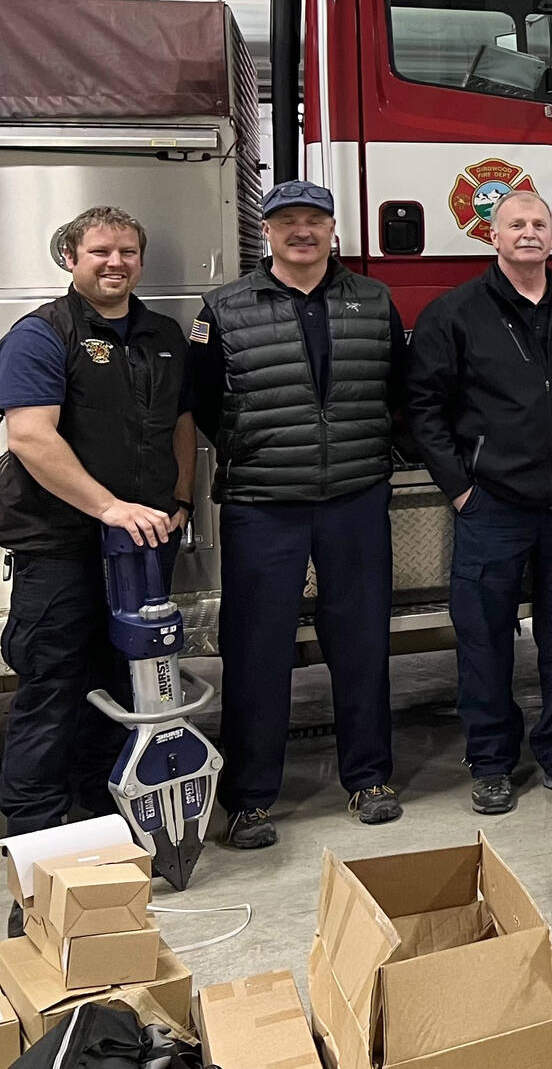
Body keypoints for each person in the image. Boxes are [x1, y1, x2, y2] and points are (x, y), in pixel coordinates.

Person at [188, 181, 406, 849]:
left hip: (355, 497)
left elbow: (399, 384)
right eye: (288, 221)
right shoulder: (223, 309)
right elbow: (202, 404)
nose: (302, 231)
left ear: (334, 230)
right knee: (257, 651)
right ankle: (251, 799)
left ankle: (369, 778)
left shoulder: (373, 301)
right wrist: (253, 448)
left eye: (315, 220)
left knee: (362, 641)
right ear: (268, 232)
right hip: (263, 504)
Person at [408, 191, 552, 814]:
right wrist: (462, 488)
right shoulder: (455, 314)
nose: (529, 233)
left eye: (539, 224)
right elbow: (422, 408)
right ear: (491, 237)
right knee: (485, 638)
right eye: (515, 225)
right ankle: (492, 761)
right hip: (491, 506)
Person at [0, 208, 195, 861]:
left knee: (124, 686)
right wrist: (108, 506)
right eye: (100, 251)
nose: (116, 263)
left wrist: (181, 498)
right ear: (70, 259)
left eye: (128, 251)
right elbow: (29, 435)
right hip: (60, 547)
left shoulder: (163, 334)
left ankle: (108, 820)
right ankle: (37, 849)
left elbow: (181, 424)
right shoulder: (41, 335)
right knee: (52, 690)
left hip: (139, 550)